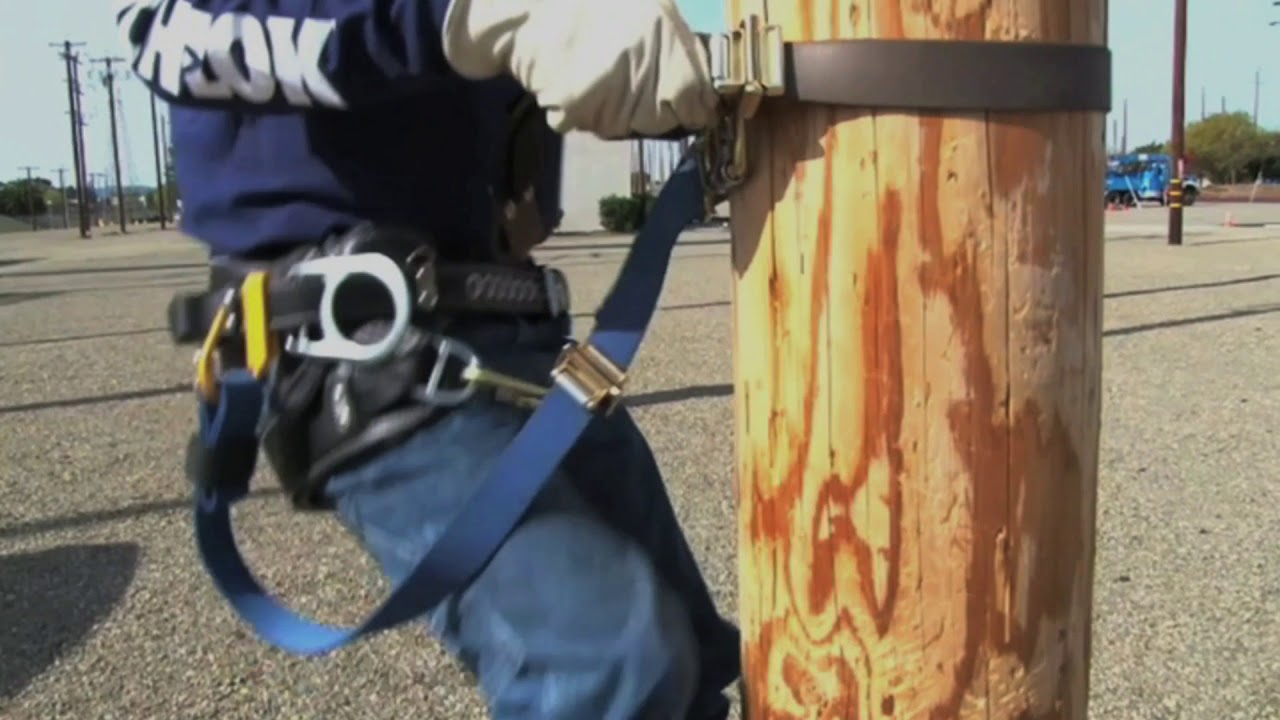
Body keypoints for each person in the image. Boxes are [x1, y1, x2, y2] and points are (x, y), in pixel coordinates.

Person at [113, 0, 741, 718]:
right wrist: (471, 12)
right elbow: (162, 26)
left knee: (689, 665)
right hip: (364, 349)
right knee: (602, 664)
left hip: (512, 335)